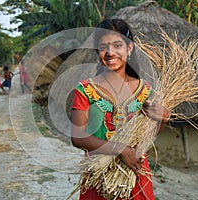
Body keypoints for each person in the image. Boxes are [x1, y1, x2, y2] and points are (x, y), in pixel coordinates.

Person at [70, 18, 170, 200]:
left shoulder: (145, 90)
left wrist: (162, 118)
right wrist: (121, 149)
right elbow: (77, 137)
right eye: (103, 47)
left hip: (135, 173)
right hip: (98, 175)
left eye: (117, 45)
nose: (110, 53)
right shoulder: (86, 90)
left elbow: (148, 135)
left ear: (129, 48)